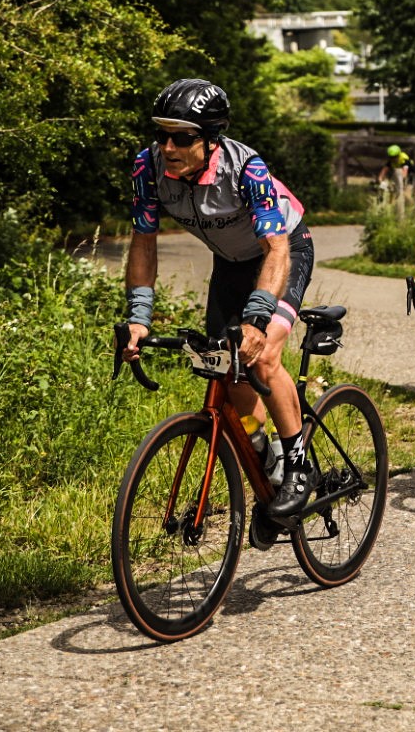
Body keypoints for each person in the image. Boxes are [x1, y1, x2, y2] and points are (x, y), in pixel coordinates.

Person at [121, 78, 318, 517]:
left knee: (262, 356)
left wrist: (258, 318)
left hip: (284, 252)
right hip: (230, 264)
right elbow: (144, 243)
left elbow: (277, 249)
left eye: (183, 137)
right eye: (161, 134)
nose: (168, 146)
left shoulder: (246, 168)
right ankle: (265, 460)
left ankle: (299, 464)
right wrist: (139, 317)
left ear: (210, 140)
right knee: (226, 369)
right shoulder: (147, 167)